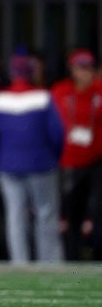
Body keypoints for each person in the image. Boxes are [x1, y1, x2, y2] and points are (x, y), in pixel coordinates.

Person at [0, 48, 66, 263]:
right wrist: (52, 157)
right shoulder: (44, 98)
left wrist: (0, 155)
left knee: (15, 216)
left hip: (8, 166)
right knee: (46, 214)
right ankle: (50, 264)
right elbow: (57, 133)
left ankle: (20, 264)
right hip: (42, 164)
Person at [50, 48, 102, 260]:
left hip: (97, 161)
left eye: (89, 68)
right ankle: (71, 256)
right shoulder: (60, 92)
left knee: (96, 210)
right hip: (68, 162)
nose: (85, 73)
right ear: (72, 70)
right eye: (81, 68)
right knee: (71, 213)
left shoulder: (99, 90)